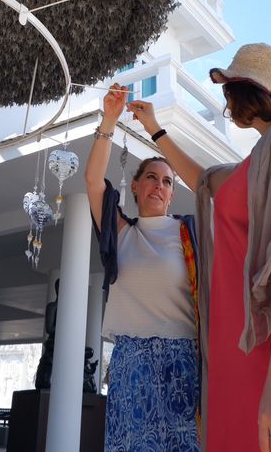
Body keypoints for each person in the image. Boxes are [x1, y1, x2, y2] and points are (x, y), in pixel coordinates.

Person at [128, 43, 271, 452]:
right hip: (250, 358)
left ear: (251, 89)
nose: (225, 102)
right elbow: (204, 180)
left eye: (229, 89)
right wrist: (155, 130)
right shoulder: (260, 158)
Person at [85, 84, 201, 452]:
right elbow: (92, 181)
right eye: (152, 177)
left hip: (185, 360)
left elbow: (214, 190)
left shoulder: (190, 234)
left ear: (172, 194)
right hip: (132, 361)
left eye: (168, 182)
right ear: (135, 187)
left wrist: (155, 127)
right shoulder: (121, 232)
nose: (160, 185)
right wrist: (110, 119)